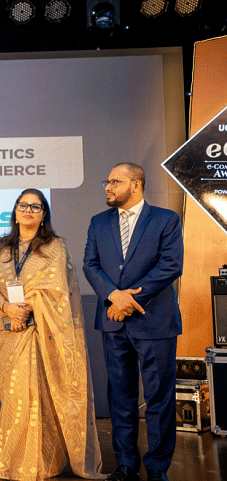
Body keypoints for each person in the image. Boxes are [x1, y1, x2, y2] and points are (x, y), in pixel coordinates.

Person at [0, 189, 105, 481]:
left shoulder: (54, 246)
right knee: (14, 398)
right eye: (23, 205)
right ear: (15, 211)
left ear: (43, 214)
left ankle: (44, 462)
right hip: (9, 330)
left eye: (35, 207)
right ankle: (13, 463)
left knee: (43, 398)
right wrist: (9, 308)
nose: (28, 210)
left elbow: (58, 291)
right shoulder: (0, 246)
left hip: (43, 332)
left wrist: (27, 311)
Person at [83, 163, 183, 481]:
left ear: (136, 184)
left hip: (155, 320)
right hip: (113, 322)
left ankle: (157, 467)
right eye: (107, 181)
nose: (108, 186)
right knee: (120, 397)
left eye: (115, 181)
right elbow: (90, 265)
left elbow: (171, 265)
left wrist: (128, 300)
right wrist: (114, 296)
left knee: (158, 397)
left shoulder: (166, 219)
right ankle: (126, 464)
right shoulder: (98, 222)